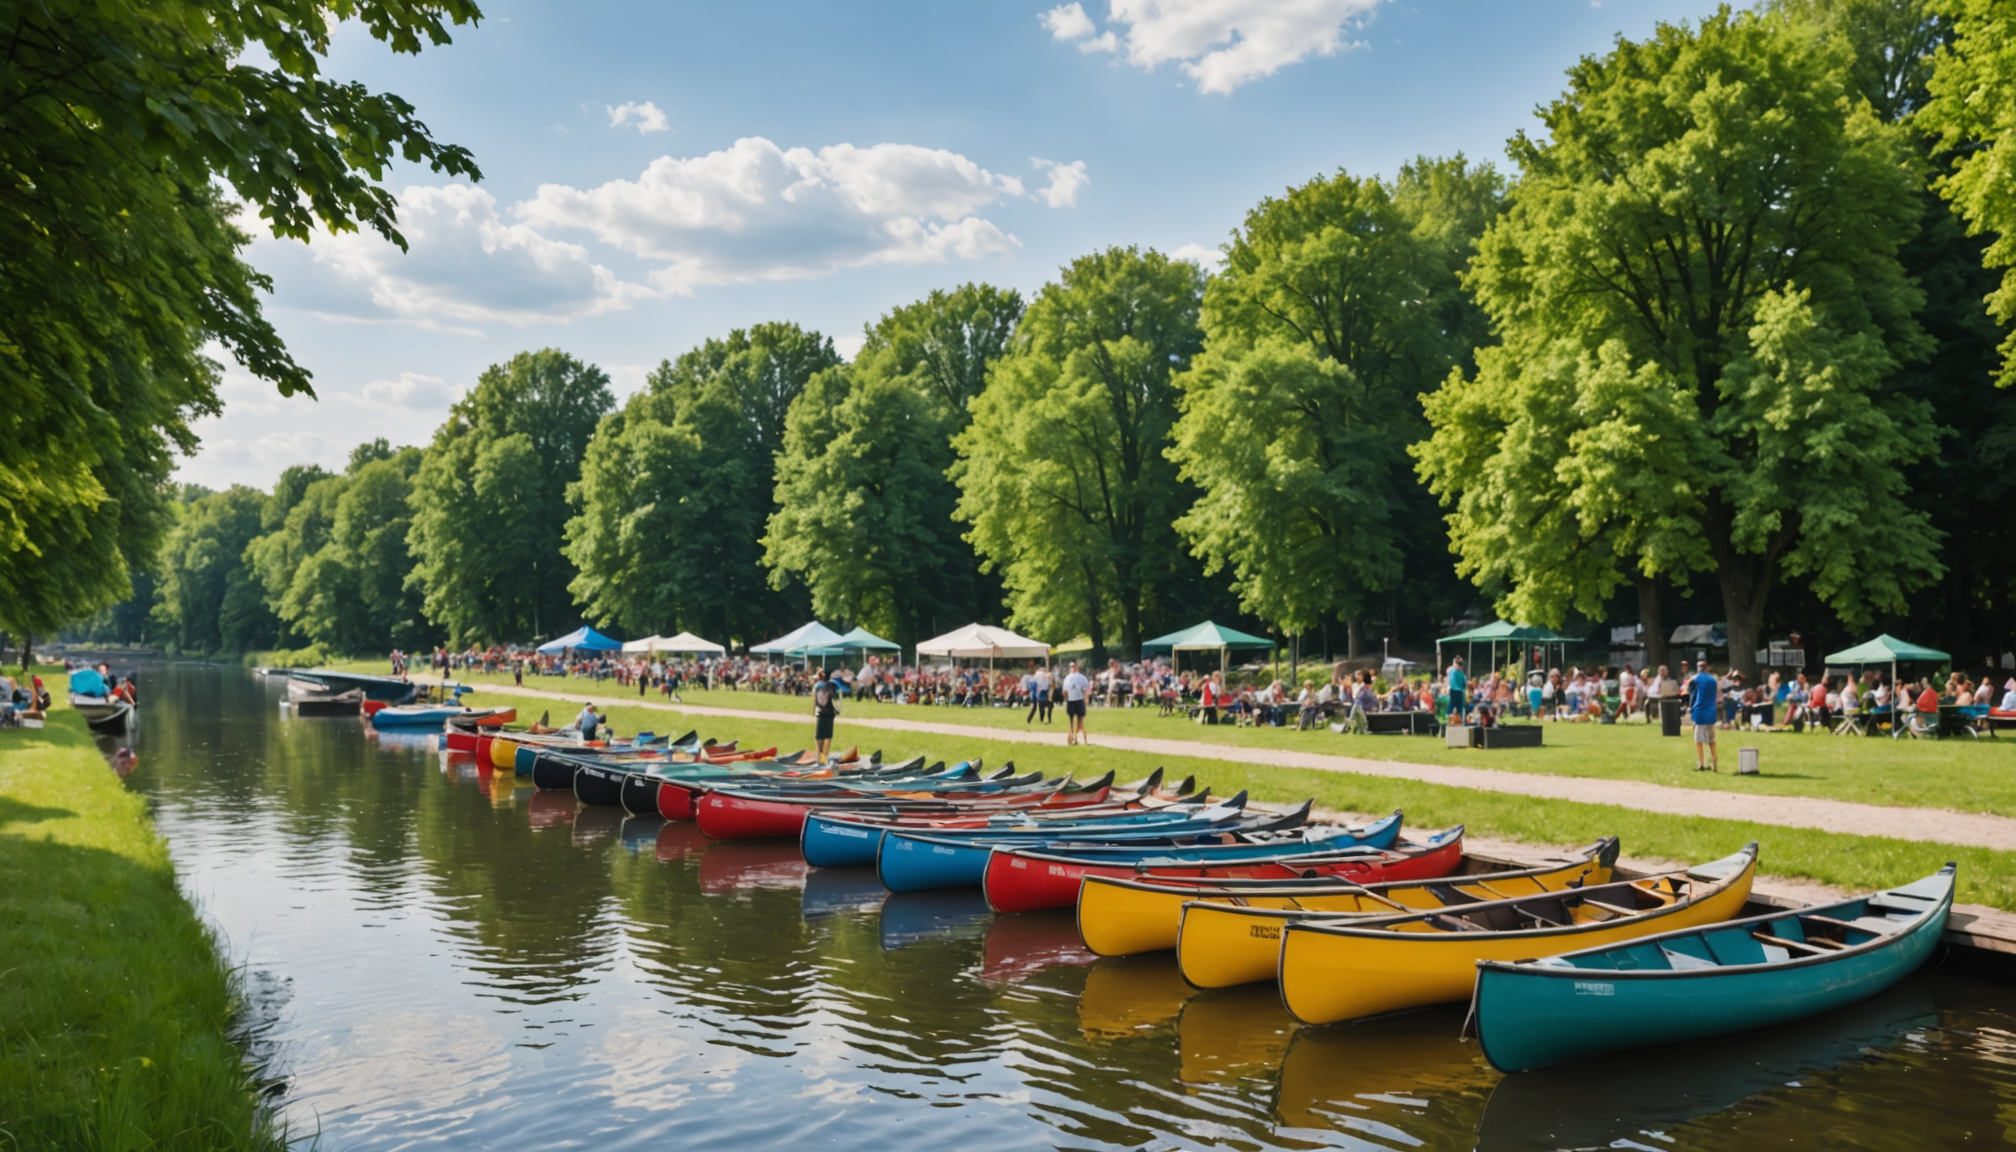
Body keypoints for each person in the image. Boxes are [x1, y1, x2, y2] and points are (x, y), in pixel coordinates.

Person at [1688, 663, 1719, 771]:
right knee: (1711, 739)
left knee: (1698, 739)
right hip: (1711, 712)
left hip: (1700, 712)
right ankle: (1715, 763)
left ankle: (1701, 764)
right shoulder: (1713, 680)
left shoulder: (1695, 679)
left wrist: (1691, 708)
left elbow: (1693, 694)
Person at [812, 668, 840, 762]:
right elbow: (837, 698)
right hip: (830, 713)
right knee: (827, 736)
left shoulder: (817, 686)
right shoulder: (833, 685)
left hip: (820, 712)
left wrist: (813, 711)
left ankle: (819, 755)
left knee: (818, 736)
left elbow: (814, 699)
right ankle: (824, 758)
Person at [1062, 661, 1090, 745]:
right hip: (1071, 700)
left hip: (1079, 699)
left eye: (1074, 666)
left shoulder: (1081, 677)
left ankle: (1079, 734)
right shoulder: (1067, 678)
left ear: (1077, 666)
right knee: (1071, 719)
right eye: (1071, 666)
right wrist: (1067, 698)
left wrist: (1085, 699)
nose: (1073, 668)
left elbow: (1085, 689)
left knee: (1080, 718)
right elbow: (1065, 690)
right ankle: (1072, 735)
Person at [1446, 657, 1468, 725]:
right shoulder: (1462, 674)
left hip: (1454, 691)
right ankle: (1457, 722)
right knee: (1458, 709)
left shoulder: (1451, 671)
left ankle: (1450, 722)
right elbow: (1464, 684)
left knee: (1451, 708)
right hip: (1458, 692)